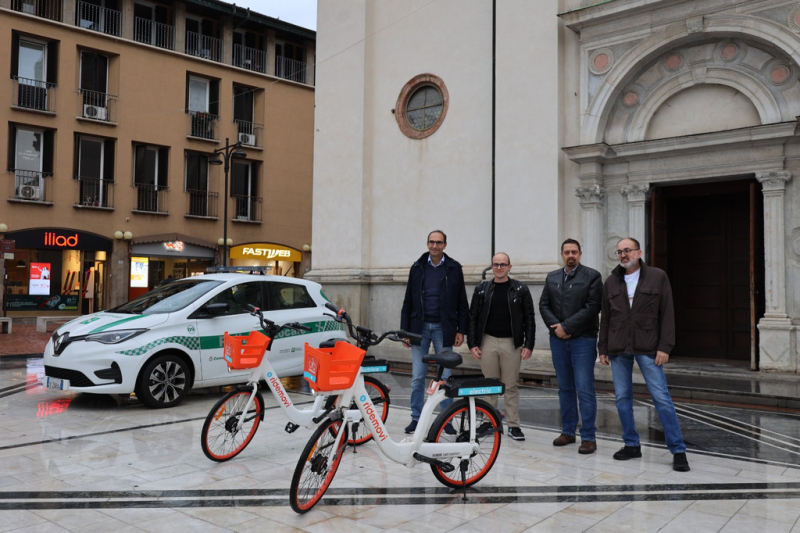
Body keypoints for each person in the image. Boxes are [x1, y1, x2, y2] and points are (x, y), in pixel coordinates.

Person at [598, 237, 690, 472]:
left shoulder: (657, 277)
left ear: (639, 253)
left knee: (661, 397)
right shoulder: (610, 282)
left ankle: (678, 449)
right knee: (622, 398)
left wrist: (665, 346)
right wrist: (603, 348)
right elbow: (606, 318)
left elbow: (667, 312)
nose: (623, 255)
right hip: (619, 347)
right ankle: (631, 444)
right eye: (619, 252)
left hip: (649, 346)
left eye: (627, 250)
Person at [400, 230, 469, 434]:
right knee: (417, 376)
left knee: (445, 377)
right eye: (431, 242)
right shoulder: (417, 267)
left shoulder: (454, 268)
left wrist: (461, 330)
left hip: (443, 327)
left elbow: (462, 303)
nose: (435, 246)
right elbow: (408, 301)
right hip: (418, 328)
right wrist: (405, 331)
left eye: (439, 242)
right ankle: (416, 418)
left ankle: (445, 420)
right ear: (427, 244)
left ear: (445, 245)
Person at [539, 239, 602, 454]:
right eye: (567, 252)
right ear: (562, 254)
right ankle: (568, 431)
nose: (570, 255)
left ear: (580, 254)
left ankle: (589, 437)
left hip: (583, 339)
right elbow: (543, 304)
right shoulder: (552, 277)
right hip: (557, 340)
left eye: (574, 252)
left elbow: (593, 307)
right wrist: (557, 328)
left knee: (585, 389)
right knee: (565, 388)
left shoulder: (592, 276)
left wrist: (567, 327)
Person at [467, 252, 535, 441]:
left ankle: (513, 425)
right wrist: (472, 343)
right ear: (491, 267)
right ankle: (489, 422)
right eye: (495, 265)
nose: (499, 268)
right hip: (488, 340)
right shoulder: (482, 289)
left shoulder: (520, 289)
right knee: (489, 385)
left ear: (509, 267)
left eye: (503, 264)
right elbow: (472, 317)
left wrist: (528, 344)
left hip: (511, 343)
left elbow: (529, 317)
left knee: (511, 386)